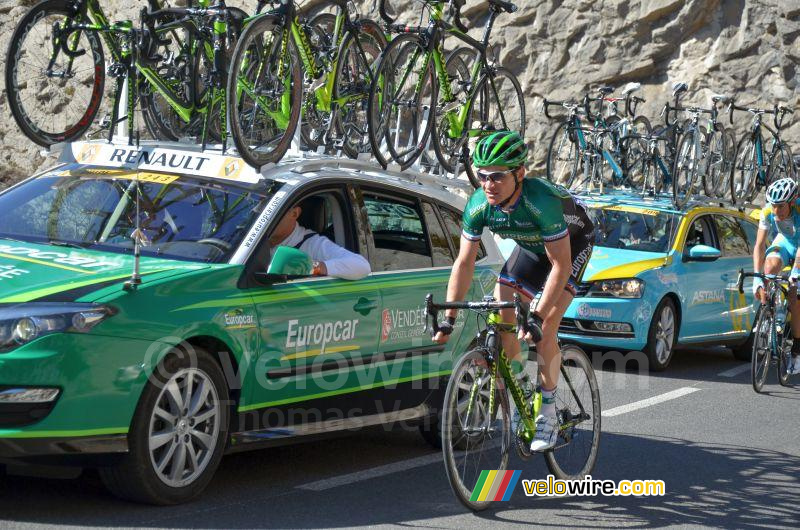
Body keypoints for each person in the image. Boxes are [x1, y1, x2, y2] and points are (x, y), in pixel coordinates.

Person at [432, 130, 595, 452]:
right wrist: (449, 317)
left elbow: (560, 266)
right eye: (482, 176)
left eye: (497, 176)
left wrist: (536, 314)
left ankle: (547, 411)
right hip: (532, 251)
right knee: (500, 311)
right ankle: (521, 388)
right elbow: (463, 263)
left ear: (519, 174)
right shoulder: (479, 205)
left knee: (545, 328)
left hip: (571, 248)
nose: (488, 184)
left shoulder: (540, 202)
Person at [753, 177, 800, 374]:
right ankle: (771, 310)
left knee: (795, 296)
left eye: (780, 207)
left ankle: (797, 349)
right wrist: (758, 278)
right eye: (773, 206)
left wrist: (796, 275)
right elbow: (760, 245)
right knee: (770, 266)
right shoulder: (767, 212)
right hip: (786, 242)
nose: (776, 211)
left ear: (792, 202)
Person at [268, 203, 371, 281]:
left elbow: (362, 266)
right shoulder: (257, 239)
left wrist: (313, 267)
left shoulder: (313, 244)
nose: (265, 217)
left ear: (294, 214)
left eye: (272, 211)